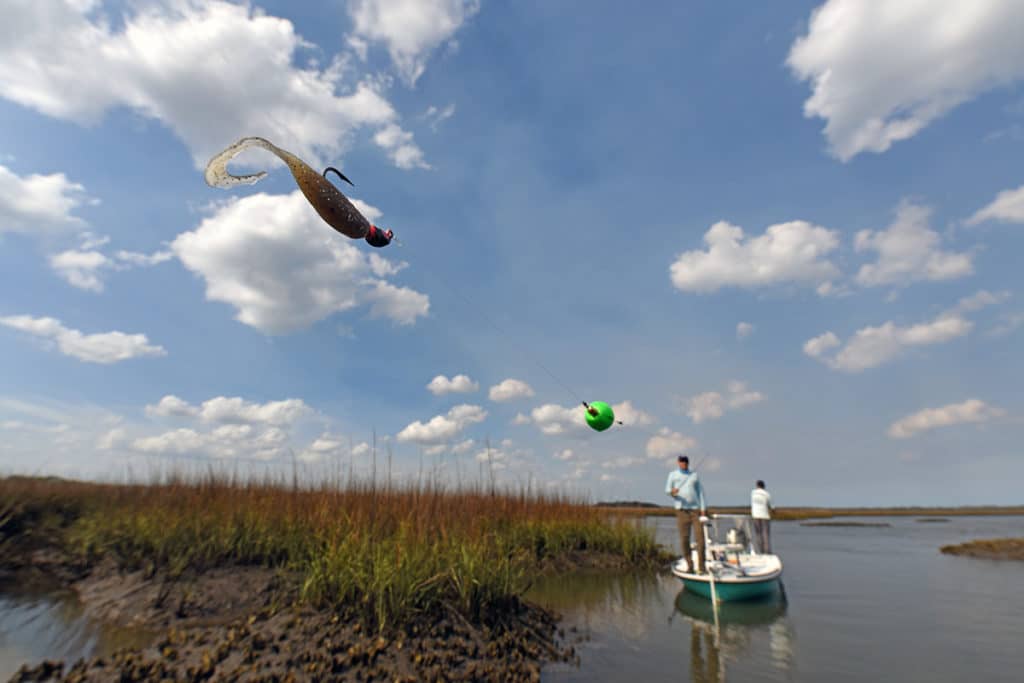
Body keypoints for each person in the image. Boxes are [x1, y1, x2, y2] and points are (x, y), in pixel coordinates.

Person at [665, 454, 707, 574]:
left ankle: (702, 567)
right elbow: (667, 490)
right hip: (681, 510)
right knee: (684, 539)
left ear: (688, 463)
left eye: (686, 461)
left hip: (695, 511)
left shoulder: (694, 475)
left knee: (701, 539)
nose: (684, 463)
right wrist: (672, 492)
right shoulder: (672, 475)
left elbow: (701, 493)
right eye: (682, 461)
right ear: (678, 463)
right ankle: (690, 565)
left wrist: (703, 509)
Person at [750, 479, 773, 554]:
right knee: (765, 534)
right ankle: (767, 551)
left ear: (757, 485)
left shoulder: (753, 493)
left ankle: (760, 551)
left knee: (758, 534)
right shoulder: (767, 494)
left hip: (755, 515)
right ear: (764, 486)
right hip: (765, 516)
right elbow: (771, 506)